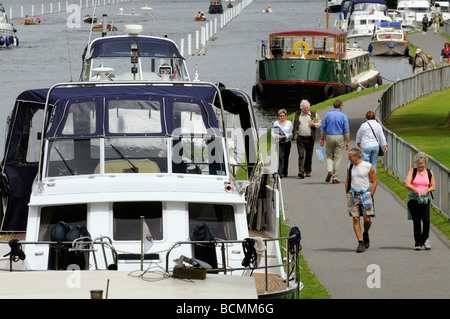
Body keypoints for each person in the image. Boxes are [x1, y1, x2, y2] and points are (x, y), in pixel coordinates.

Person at [345, 148, 377, 253]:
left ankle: (365, 233)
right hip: (354, 195)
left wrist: (371, 194)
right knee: (356, 219)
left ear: (356, 156)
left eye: (350, 157)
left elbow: (374, 181)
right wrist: (347, 193)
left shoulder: (368, 166)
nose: (349, 159)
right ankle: (360, 242)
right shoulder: (350, 166)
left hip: (365, 195)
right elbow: (347, 180)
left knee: (367, 220)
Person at [405, 152, 436, 250]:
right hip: (413, 199)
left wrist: (426, 190)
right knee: (417, 221)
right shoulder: (412, 171)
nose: (420, 165)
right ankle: (418, 242)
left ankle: (425, 239)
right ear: (416, 163)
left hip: (425, 199)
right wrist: (416, 191)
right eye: (418, 163)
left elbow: (433, 186)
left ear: (425, 163)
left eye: (422, 163)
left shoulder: (429, 172)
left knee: (426, 220)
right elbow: (407, 184)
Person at [319, 99, 350, 184]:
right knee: (337, 157)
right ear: (340, 106)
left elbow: (322, 129)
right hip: (339, 136)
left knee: (329, 156)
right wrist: (348, 142)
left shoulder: (328, 115)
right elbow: (346, 131)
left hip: (329, 136)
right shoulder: (343, 116)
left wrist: (321, 139)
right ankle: (335, 177)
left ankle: (329, 171)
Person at [293, 99, 322, 179]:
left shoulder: (313, 115)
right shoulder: (297, 114)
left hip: (310, 138)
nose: (306, 109)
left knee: (309, 154)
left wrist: (314, 124)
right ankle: (301, 171)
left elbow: (320, 123)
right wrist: (294, 134)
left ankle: (308, 171)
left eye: (307, 107)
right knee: (301, 155)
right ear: (301, 108)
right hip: (300, 138)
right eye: (304, 108)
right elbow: (293, 124)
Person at [272, 109, 293, 178]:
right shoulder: (276, 123)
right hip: (279, 142)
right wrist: (277, 135)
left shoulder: (289, 123)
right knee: (280, 157)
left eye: (283, 116)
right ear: (279, 116)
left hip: (287, 141)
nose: (282, 117)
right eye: (281, 116)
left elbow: (291, 133)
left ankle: (285, 172)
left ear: (286, 116)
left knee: (286, 157)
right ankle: (280, 173)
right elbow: (273, 132)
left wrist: (285, 136)